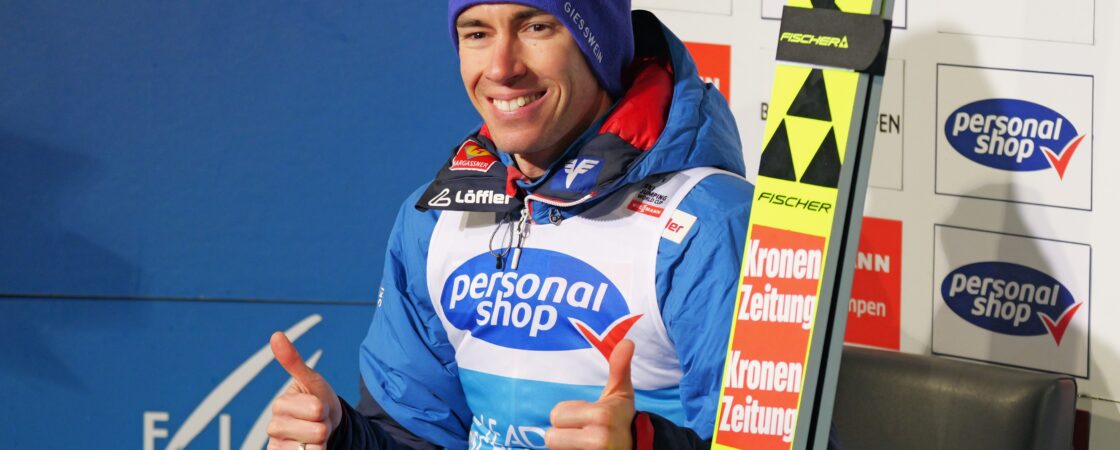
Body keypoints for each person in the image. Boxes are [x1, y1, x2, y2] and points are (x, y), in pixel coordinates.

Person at [266, 2, 837, 449]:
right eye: (476, 33)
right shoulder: (436, 217)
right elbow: (418, 436)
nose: (501, 68)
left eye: (536, 27)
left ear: (598, 48)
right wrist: (341, 436)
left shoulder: (710, 225)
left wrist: (644, 444)